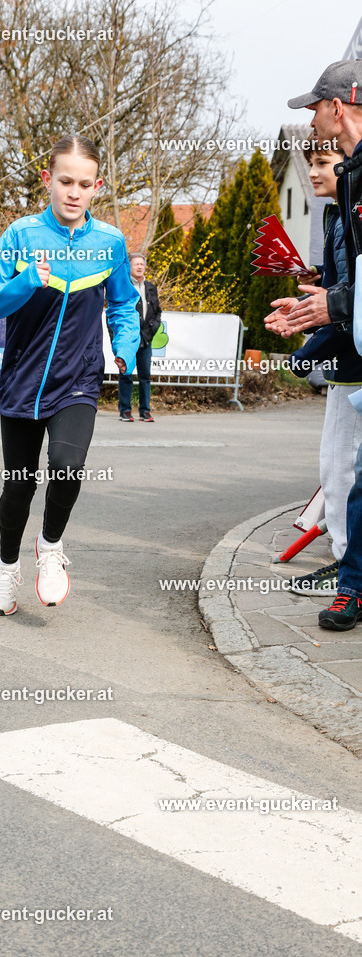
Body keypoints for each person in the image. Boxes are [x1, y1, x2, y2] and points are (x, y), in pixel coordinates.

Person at [0, 134, 140, 615]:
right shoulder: (21, 236)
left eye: (85, 184)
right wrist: (25, 279)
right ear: (48, 180)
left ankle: (50, 547)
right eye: (65, 181)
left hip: (79, 380)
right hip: (23, 381)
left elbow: (125, 304)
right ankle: (6, 571)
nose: (74, 192)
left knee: (67, 467)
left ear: (97, 187)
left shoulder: (109, 242)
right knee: (18, 487)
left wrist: (124, 347)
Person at [265, 59, 362, 629]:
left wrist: (333, 305)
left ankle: (350, 578)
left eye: (314, 107)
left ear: (337, 106)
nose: (310, 121)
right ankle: (352, 583)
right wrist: (317, 304)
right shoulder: (353, 176)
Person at [279, 138, 362, 595]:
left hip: (352, 361)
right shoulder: (336, 214)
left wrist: (303, 351)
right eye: (309, 163)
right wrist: (316, 283)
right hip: (343, 361)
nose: (312, 172)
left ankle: (349, 567)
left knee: (340, 468)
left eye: (323, 163)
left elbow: (351, 298)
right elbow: (340, 289)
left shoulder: (349, 214)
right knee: (336, 466)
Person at [118, 252, 160, 423]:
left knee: (145, 376)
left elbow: (157, 313)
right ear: (129, 267)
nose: (139, 267)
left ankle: (145, 411)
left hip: (146, 338)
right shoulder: (123, 286)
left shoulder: (151, 287)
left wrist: (150, 332)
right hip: (128, 338)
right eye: (136, 264)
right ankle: (125, 410)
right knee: (126, 374)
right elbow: (116, 312)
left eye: (142, 264)